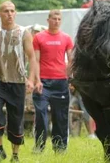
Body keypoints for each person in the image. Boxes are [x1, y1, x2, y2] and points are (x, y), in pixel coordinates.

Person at [0, 1, 39, 163]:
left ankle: (15, 155)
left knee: (16, 119)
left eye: (12, 11)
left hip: (17, 82)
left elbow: (32, 57)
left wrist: (31, 79)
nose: (9, 14)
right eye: (6, 11)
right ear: (0, 14)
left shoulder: (24, 32)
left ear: (15, 13)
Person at [32, 10, 74, 153]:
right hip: (43, 82)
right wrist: (36, 80)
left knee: (60, 117)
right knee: (41, 116)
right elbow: (35, 61)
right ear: (48, 20)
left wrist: (69, 77)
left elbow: (71, 59)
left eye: (59, 19)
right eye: (54, 18)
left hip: (61, 82)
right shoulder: (38, 37)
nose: (56, 21)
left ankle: (60, 148)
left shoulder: (66, 38)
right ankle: (39, 146)